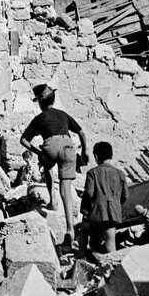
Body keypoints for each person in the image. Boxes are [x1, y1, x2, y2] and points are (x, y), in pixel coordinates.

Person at [20, 84, 88, 250]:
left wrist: (38, 152)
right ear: (53, 100)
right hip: (67, 145)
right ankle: (70, 229)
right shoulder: (63, 115)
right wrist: (85, 151)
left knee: (48, 167)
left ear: (40, 103)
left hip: (50, 145)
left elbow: (23, 140)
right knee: (66, 188)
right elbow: (81, 132)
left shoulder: (40, 118)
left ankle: (53, 202)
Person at [79, 142, 128, 255]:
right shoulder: (120, 174)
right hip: (113, 214)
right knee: (111, 244)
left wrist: (84, 209)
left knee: (84, 228)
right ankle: (113, 262)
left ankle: (81, 256)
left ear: (96, 156)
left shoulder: (92, 173)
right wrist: (115, 204)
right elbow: (125, 195)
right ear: (111, 155)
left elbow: (89, 193)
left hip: (97, 212)